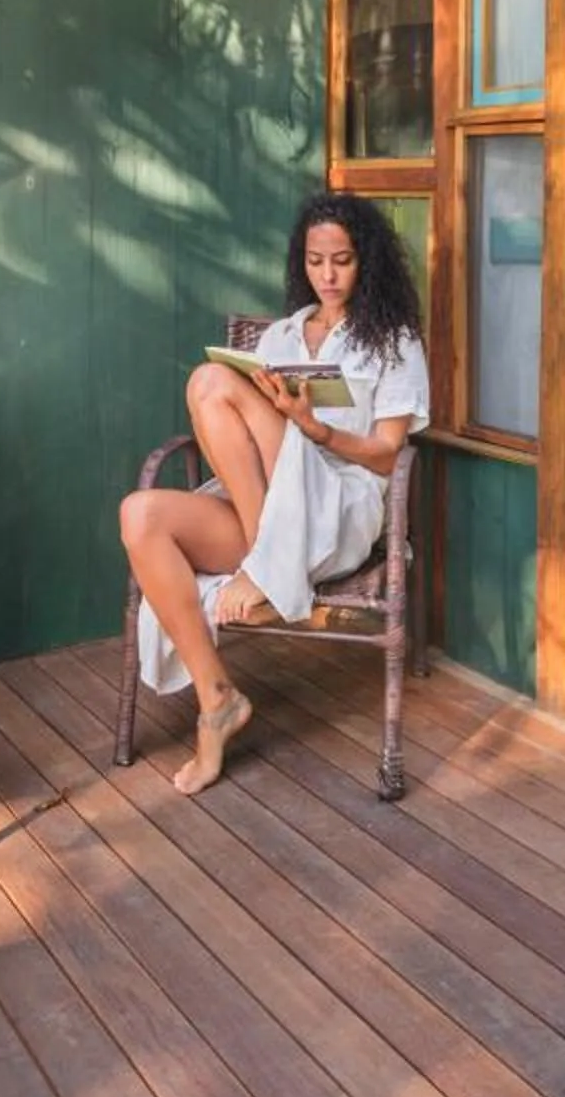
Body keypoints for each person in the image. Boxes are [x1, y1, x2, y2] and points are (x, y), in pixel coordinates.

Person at [118, 190, 429, 795]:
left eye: (342, 260)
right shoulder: (281, 337)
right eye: (315, 261)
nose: (328, 275)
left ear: (366, 260)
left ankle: (267, 564)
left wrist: (317, 429)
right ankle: (218, 701)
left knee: (209, 381)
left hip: (339, 505)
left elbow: (390, 454)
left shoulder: (393, 340)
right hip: (267, 503)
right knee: (140, 516)